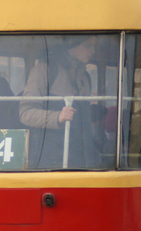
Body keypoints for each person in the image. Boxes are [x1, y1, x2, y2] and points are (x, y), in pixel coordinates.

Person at [20, 36, 103, 168]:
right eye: (88, 46)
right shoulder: (44, 70)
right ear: (72, 44)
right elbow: (26, 113)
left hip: (81, 160)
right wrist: (57, 117)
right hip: (50, 161)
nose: (93, 51)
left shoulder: (85, 77)